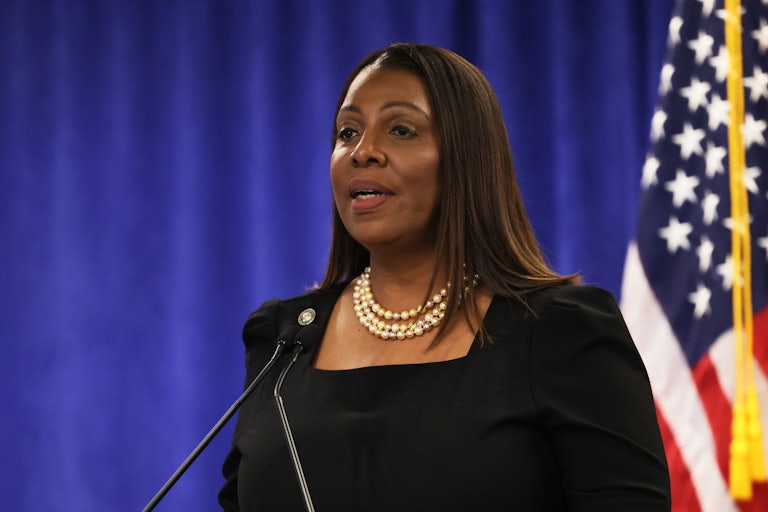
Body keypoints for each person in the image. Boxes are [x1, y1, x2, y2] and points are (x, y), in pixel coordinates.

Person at [219, 43, 671, 511]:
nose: (362, 151)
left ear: (467, 158)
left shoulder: (561, 331)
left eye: (400, 129)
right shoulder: (281, 338)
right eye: (347, 132)